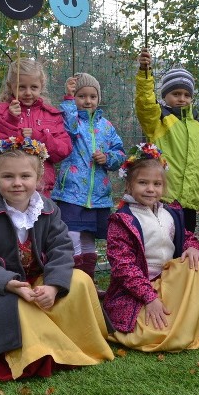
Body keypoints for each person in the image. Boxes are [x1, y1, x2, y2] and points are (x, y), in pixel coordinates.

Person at [0, 137, 114, 380]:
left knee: (80, 280)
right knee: (18, 304)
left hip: (39, 282)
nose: (17, 183)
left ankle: (79, 342)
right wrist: (9, 284)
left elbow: (62, 250)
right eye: (8, 177)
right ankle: (40, 352)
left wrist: (53, 285)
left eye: (25, 176)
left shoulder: (49, 210)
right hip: (1, 290)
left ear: (38, 178)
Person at [103, 143, 199, 351]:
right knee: (150, 334)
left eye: (157, 184)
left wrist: (192, 248)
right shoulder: (122, 220)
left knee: (195, 264)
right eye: (143, 182)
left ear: (163, 187)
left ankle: (194, 322)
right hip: (137, 291)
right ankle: (174, 323)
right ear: (129, 185)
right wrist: (150, 298)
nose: (150, 189)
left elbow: (186, 237)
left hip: (168, 283)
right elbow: (123, 267)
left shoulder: (171, 213)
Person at [52, 73, 125, 280]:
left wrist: (107, 158)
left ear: (98, 99)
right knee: (71, 234)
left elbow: (120, 153)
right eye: (81, 96)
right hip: (72, 191)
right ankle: (73, 281)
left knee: (88, 237)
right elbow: (67, 125)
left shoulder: (107, 126)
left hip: (98, 195)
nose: (87, 101)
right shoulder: (73, 121)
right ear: (75, 99)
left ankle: (88, 282)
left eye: (92, 96)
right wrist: (68, 97)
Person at [135, 49, 199, 233]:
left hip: (190, 203)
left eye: (187, 95)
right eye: (176, 94)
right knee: (161, 247)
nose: (182, 99)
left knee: (184, 250)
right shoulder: (159, 119)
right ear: (165, 96)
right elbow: (145, 104)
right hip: (164, 199)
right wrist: (145, 74)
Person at [0, 57, 71, 196]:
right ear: (11, 86)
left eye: (33, 87)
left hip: (42, 189)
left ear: (41, 86)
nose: (28, 92)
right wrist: (9, 120)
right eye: (22, 87)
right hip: (8, 189)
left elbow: (64, 149)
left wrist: (40, 138)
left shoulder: (51, 115)